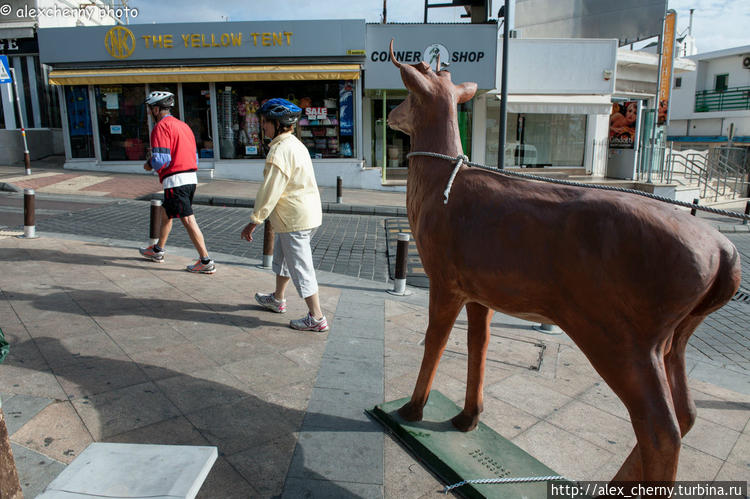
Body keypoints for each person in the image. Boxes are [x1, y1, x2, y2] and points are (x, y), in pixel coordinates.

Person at [240, 98, 328, 332]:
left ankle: (317, 317)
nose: (263, 127)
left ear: (277, 124)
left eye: (265, 123)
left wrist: (255, 220)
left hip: (294, 219)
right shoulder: (296, 144)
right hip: (305, 214)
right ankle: (278, 299)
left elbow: (270, 190)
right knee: (283, 258)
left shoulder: (279, 151)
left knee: (301, 267)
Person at [139, 91, 216, 274]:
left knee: (188, 219)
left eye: (151, 109)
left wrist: (148, 165)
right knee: (166, 214)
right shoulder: (183, 126)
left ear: (157, 109)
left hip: (175, 180)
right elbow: (194, 156)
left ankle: (205, 261)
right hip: (190, 178)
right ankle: (157, 250)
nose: (150, 113)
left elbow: (161, 159)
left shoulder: (161, 127)